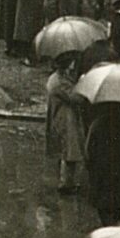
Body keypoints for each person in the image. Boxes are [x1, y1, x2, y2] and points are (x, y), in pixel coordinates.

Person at [85, 102, 120, 225]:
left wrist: (90, 165)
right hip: (119, 168)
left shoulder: (96, 124)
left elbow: (88, 149)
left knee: (102, 203)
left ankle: (106, 226)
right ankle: (115, 225)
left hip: (100, 169)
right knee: (118, 202)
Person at [46, 53, 86, 193]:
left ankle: (68, 181)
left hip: (65, 117)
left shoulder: (59, 78)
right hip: (65, 119)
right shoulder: (59, 82)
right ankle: (66, 184)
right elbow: (75, 97)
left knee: (68, 150)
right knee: (69, 151)